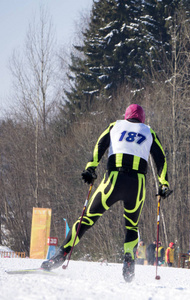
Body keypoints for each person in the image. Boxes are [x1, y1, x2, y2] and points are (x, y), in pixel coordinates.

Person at [41, 103, 171, 282]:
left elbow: (100, 146)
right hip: (137, 185)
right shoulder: (149, 131)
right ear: (142, 118)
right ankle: (128, 261)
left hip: (113, 181)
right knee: (131, 226)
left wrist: (90, 168)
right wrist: (163, 184)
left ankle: (60, 255)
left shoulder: (115, 126)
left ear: (126, 116)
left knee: (86, 219)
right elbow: (161, 158)